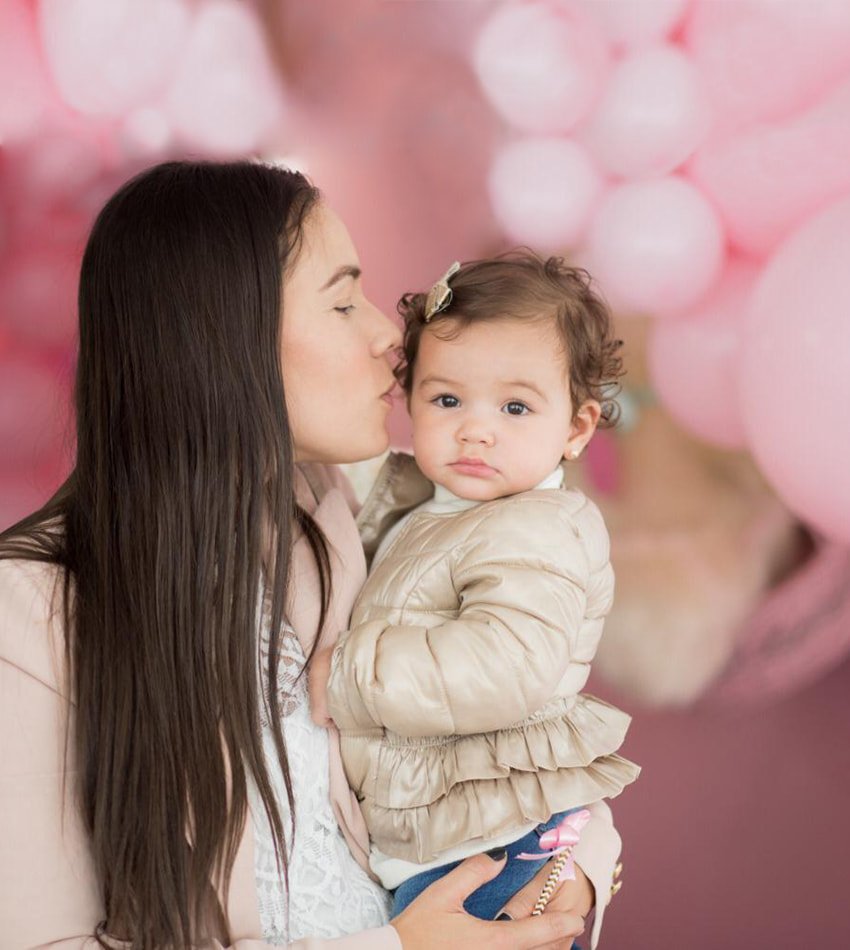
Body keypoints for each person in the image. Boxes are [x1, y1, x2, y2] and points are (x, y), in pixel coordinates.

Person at [0, 161, 617, 949]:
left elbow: (512, 738)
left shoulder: (339, 521)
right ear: (223, 338)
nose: (388, 332)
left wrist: (572, 878)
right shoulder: (36, 613)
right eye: (341, 301)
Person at [312, 253, 638, 947]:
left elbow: (505, 666)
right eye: (446, 399)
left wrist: (349, 673)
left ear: (577, 428)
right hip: (439, 835)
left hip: (488, 841)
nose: (476, 429)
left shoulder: (536, 527)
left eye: (515, 406)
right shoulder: (437, 506)